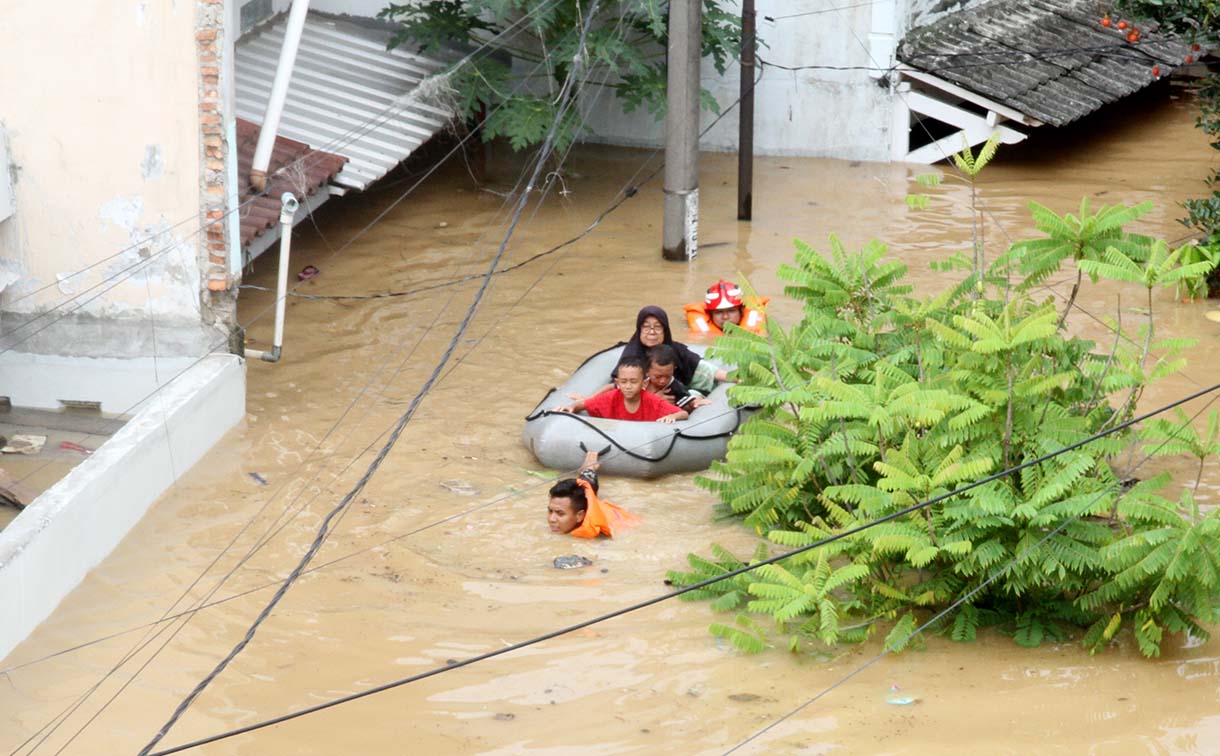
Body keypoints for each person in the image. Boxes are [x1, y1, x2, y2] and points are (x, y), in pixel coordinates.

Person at [557, 356, 689, 423]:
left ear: (644, 384)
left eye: (633, 382)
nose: (628, 386)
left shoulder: (652, 401)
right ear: (617, 382)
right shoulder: (610, 397)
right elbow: (584, 404)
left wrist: (672, 416)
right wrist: (571, 407)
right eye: (624, 382)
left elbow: (684, 413)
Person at [547, 449, 638, 537]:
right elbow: (585, 484)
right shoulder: (572, 503)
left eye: (560, 513)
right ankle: (589, 466)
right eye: (550, 511)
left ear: (580, 516)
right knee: (587, 484)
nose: (551, 519)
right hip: (588, 501)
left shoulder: (601, 531)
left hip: (615, 517)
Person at [683, 279, 768, 337]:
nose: (725, 317)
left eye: (731, 311)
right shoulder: (697, 327)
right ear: (710, 314)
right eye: (719, 312)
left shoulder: (763, 326)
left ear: (741, 311)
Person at [646, 344, 711, 411]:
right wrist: (654, 399)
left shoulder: (675, 386)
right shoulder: (641, 382)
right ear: (647, 370)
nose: (663, 381)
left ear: (674, 369)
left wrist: (695, 402)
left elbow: (687, 399)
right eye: (658, 377)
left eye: (668, 376)